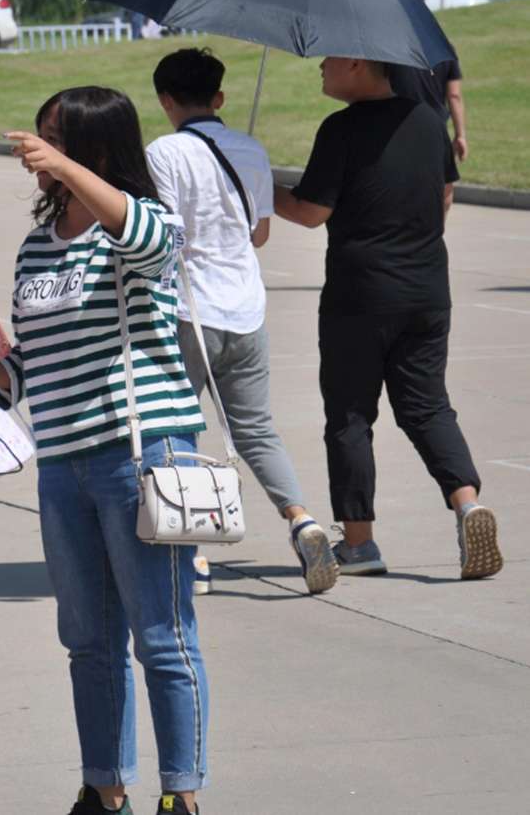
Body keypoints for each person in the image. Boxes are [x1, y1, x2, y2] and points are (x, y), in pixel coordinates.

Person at [0, 88, 209, 815]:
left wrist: (69, 170)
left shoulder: (142, 224)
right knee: (87, 640)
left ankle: (182, 796)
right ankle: (104, 788)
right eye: (38, 140)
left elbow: (148, 238)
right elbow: (27, 377)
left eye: (52, 140)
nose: (34, 154)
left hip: (143, 455)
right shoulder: (38, 245)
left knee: (162, 635)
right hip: (65, 464)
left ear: (96, 149)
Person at [273, 57, 502, 581]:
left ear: (357, 64)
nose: (322, 69)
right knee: (427, 406)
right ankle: (467, 504)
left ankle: (359, 544)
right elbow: (445, 193)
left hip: (359, 295)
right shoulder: (428, 119)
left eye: (329, 60)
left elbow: (311, 211)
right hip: (426, 289)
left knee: (350, 416)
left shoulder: (341, 128)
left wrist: (258, 187)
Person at [146, 48, 338, 596]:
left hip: (189, 309)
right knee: (255, 428)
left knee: (176, 427)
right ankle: (302, 519)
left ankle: (193, 552)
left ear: (165, 100)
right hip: (246, 310)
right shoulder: (251, 150)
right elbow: (259, 235)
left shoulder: (162, 152)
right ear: (221, 98)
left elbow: (164, 236)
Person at [388, 57, 468, 163]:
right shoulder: (443, 50)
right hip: (436, 126)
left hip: (402, 125)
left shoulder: (397, 51)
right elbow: (454, 96)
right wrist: (460, 135)